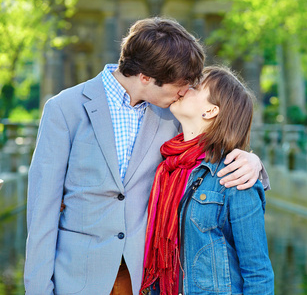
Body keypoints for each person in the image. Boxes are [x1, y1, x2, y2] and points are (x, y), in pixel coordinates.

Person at [24, 18, 268, 295]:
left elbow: (214, 143)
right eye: (181, 83)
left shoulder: (171, 114)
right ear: (145, 77)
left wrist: (253, 162)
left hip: (145, 278)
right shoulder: (65, 109)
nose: (184, 90)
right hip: (78, 277)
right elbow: (41, 213)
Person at [140, 66, 274, 295]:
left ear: (210, 111)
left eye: (195, 86)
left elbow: (258, 272)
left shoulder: (235, 176)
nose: (184, 88)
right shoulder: (167, 166)